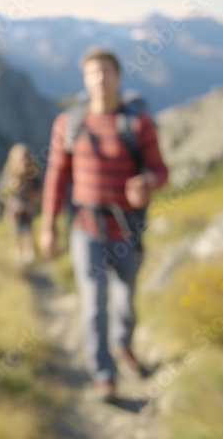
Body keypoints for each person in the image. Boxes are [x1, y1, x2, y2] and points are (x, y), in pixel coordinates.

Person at [38, 46, 167, 402]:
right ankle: (103, 375)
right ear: (84, 79)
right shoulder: (69, 124)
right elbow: (56, 176)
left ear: (118, 76)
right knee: (94, 302)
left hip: (128, 228)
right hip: (85, 226)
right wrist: (48, 226)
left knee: (125, 297)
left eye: (105, 72)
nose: (99, 79)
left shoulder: (137, 123)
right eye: (92, 73)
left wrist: (149, 183)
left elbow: (161, 169)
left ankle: (122, 345)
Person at [0, 142, 40, 267]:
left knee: (27, 231)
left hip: (28, 210)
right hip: (15, 211)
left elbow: (38, 192)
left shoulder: (32, 176)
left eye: (26, 160)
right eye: (21, 160)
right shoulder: (9, 175)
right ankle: (18, 257)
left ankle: (28, 257)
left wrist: (33, 197)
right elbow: (2, 192)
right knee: (16, 233)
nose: (24, 164)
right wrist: (11, 189)